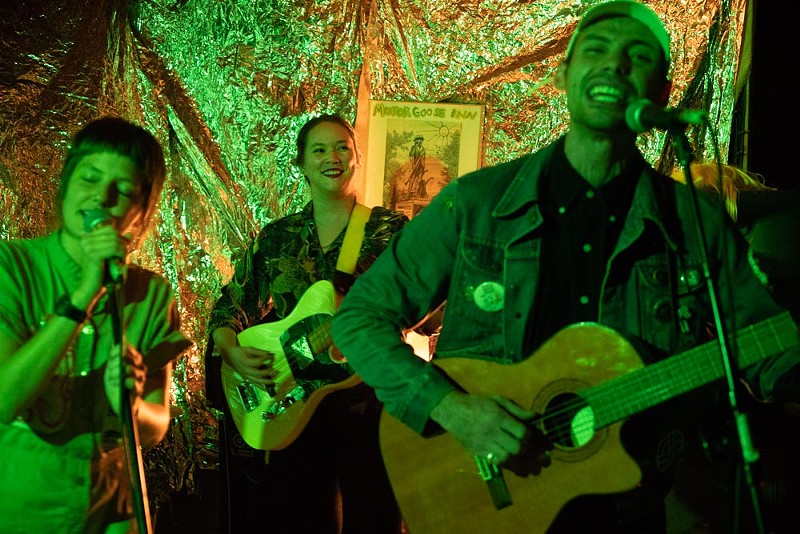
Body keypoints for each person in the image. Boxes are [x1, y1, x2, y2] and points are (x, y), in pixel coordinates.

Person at [332, 2, 800, 532]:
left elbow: (771, 350)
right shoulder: (477, 204)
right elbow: (357, 318)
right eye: (595, 51)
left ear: (663, 93)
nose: (614, 65)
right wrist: (451, 409)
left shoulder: (696, 222)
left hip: (628, 507)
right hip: (484, 501)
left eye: (637, 56)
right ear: (563, 75)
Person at [207, 113, 408, 533]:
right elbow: (230, 306)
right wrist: (231, 351)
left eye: (341, 148)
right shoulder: (278, 236)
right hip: (293, 406)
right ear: (301, 164)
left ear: (356, 158)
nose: (331, 157)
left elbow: (422, 306)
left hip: (369, 406)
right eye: (319, 150)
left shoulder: (391, 231)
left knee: (376, 520)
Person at [0, 117, 193, 533]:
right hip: (21, 508)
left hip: (110, 513)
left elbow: (155, 426)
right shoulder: (11, 267)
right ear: (65, 186)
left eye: (122, 190)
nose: (102, 197)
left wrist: (132, 404)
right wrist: (85, 292)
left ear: (139, 215)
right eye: (89, 178)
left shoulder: (152, 294)